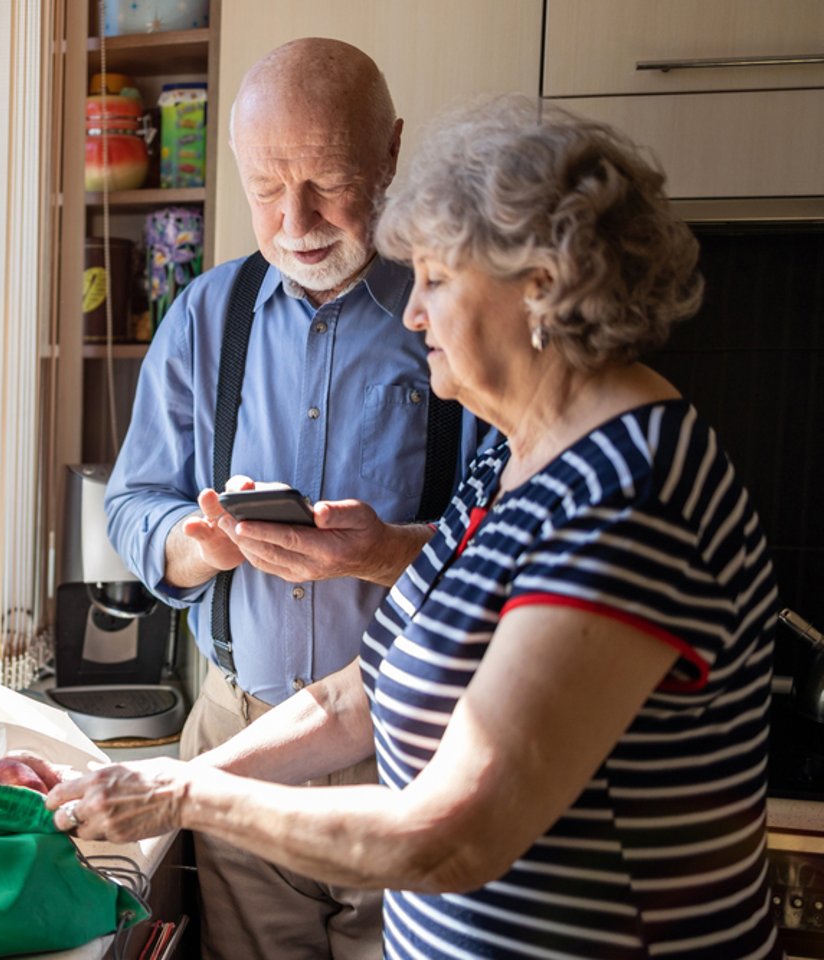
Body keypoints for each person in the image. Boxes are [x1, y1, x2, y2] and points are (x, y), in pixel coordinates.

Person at [55, 94, 782, 958]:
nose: (411, 311)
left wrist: (183, 800)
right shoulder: (515, 462)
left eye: (435, 279)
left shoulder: (629, 493)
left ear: (539, 288)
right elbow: (353, 697)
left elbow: (453, 834)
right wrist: (165, 776)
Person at [102, 38, 484, 960]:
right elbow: (131, 503)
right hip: (241, 732)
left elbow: (510, 529)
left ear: (391, 153)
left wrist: (385, 549)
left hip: (409, 750)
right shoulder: (203, 314)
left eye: (327, 181)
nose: (295, 218)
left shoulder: (456, 318)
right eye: (267, 187)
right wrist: (197, 545)